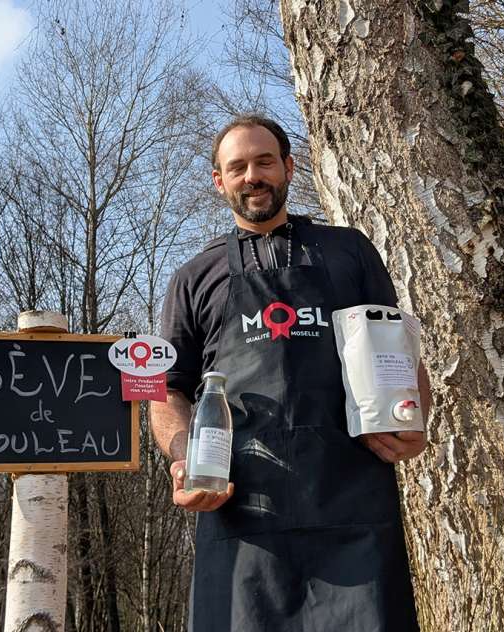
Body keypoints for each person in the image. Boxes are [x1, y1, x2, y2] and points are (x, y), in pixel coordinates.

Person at [150, 114, 429, 631]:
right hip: (242, 507)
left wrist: (412, 421)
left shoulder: (349, 250)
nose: (252, 176)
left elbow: (398, 351)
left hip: (353, 504)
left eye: (265, 162)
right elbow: (166, 389)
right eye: (237, 167)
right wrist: (185, 455)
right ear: (219, 181)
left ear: (289, 167)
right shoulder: (193, 277)